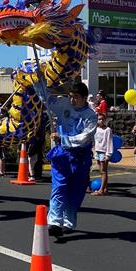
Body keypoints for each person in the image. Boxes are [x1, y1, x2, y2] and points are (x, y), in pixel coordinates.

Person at [35, 82, 97, 237]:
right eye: (71, 96)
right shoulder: (64, 105)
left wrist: (63, 139)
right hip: (62, 154)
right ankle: (54, 222)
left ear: (84, 98)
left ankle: (68, 223)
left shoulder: (90, 115)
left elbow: (85, 137)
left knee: (76, 191)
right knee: (59, 186)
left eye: (76, 97)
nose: (72, 100)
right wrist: (37, 80)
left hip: (80, 157)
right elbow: (46, 100)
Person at [92, 113, 113, 196]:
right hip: (97, 151)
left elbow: (109, 142)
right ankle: (105, 188)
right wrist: (93, 150)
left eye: (102, 119)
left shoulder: (107, 130)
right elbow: (94, 141)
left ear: (104, 120)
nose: (100, 121)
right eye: (98, 119)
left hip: (103, 152)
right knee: (101, 171)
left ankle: (101, 190)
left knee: (103, 170)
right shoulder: (96, 129)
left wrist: (108, 154)